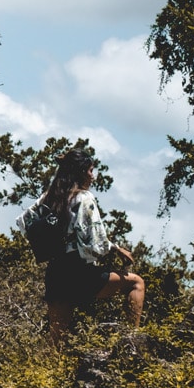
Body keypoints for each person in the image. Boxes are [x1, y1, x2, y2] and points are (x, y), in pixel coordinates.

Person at [41, 146, 145, 340]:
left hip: (55, 271)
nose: (93, 176)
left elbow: (29, 224)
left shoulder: (49, 198)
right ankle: (132, 341)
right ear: (81, 172)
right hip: (78, 271)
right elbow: (94, 239)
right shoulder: (84, 198)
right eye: (90, 171)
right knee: (136, 283)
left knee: (57, 338)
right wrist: (115, 249)